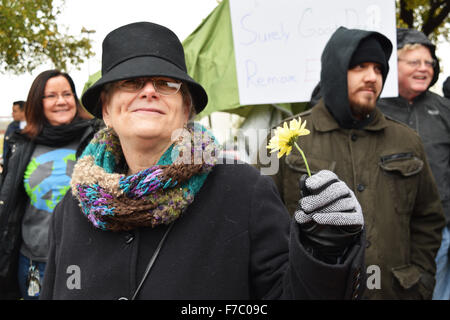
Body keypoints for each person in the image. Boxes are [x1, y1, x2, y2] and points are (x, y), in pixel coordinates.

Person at [40, 22, 366, 300]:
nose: (149, 91)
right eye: (130, 82)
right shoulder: (72, 209)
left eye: (167, 83)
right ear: (107, 111)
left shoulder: (245, 190)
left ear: (186, 110)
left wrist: (323, 250)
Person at [268, 26, 445, 299]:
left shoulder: (407, 141)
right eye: (360, 66)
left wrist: (420, 282)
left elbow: (428, 219)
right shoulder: (287, 137)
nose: (372, 77)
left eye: (378, 69)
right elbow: (265, 226)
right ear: (335, 71)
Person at [0, 70, 100, 300]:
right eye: (51, 95)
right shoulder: (23, 144)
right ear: (38, 102)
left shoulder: (97, 139)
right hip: (32, 260)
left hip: (80, 259)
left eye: (67, 94)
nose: (61, 101)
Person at [377, 28, 450, 300]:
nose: (423, 69)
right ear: (392, 65)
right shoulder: (373, 108)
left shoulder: (444, 109)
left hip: (438, 233)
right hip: (386, 230)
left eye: (429, 63)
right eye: (414, 62)